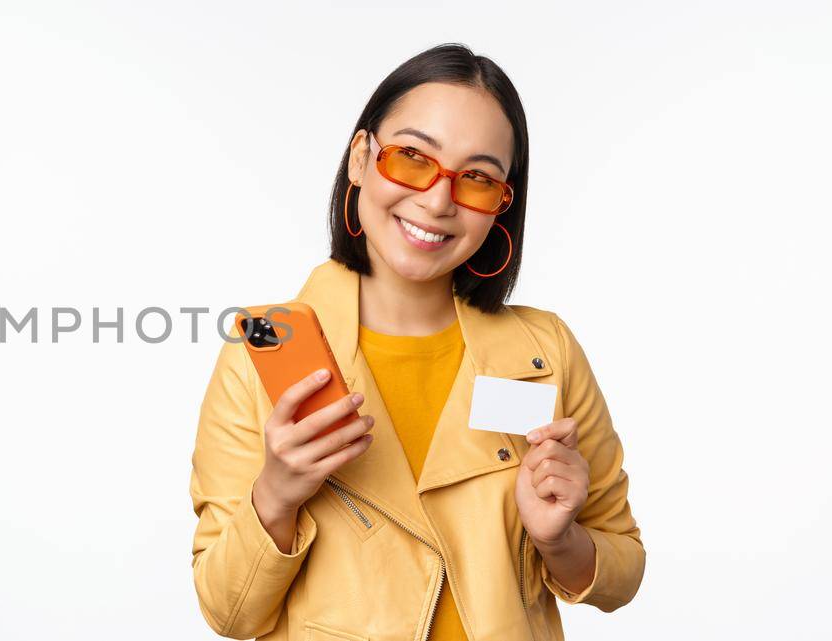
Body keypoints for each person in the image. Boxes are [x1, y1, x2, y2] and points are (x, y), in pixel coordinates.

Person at [188, 43, 644, 641]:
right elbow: (228, 613)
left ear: (501, 206)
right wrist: (274, 496)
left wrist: (560, 538)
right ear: (360, 158)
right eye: (411, 157)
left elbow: (623, 570)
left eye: (477, 179)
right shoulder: (265, 348)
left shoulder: (545, 351)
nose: (437, 200)